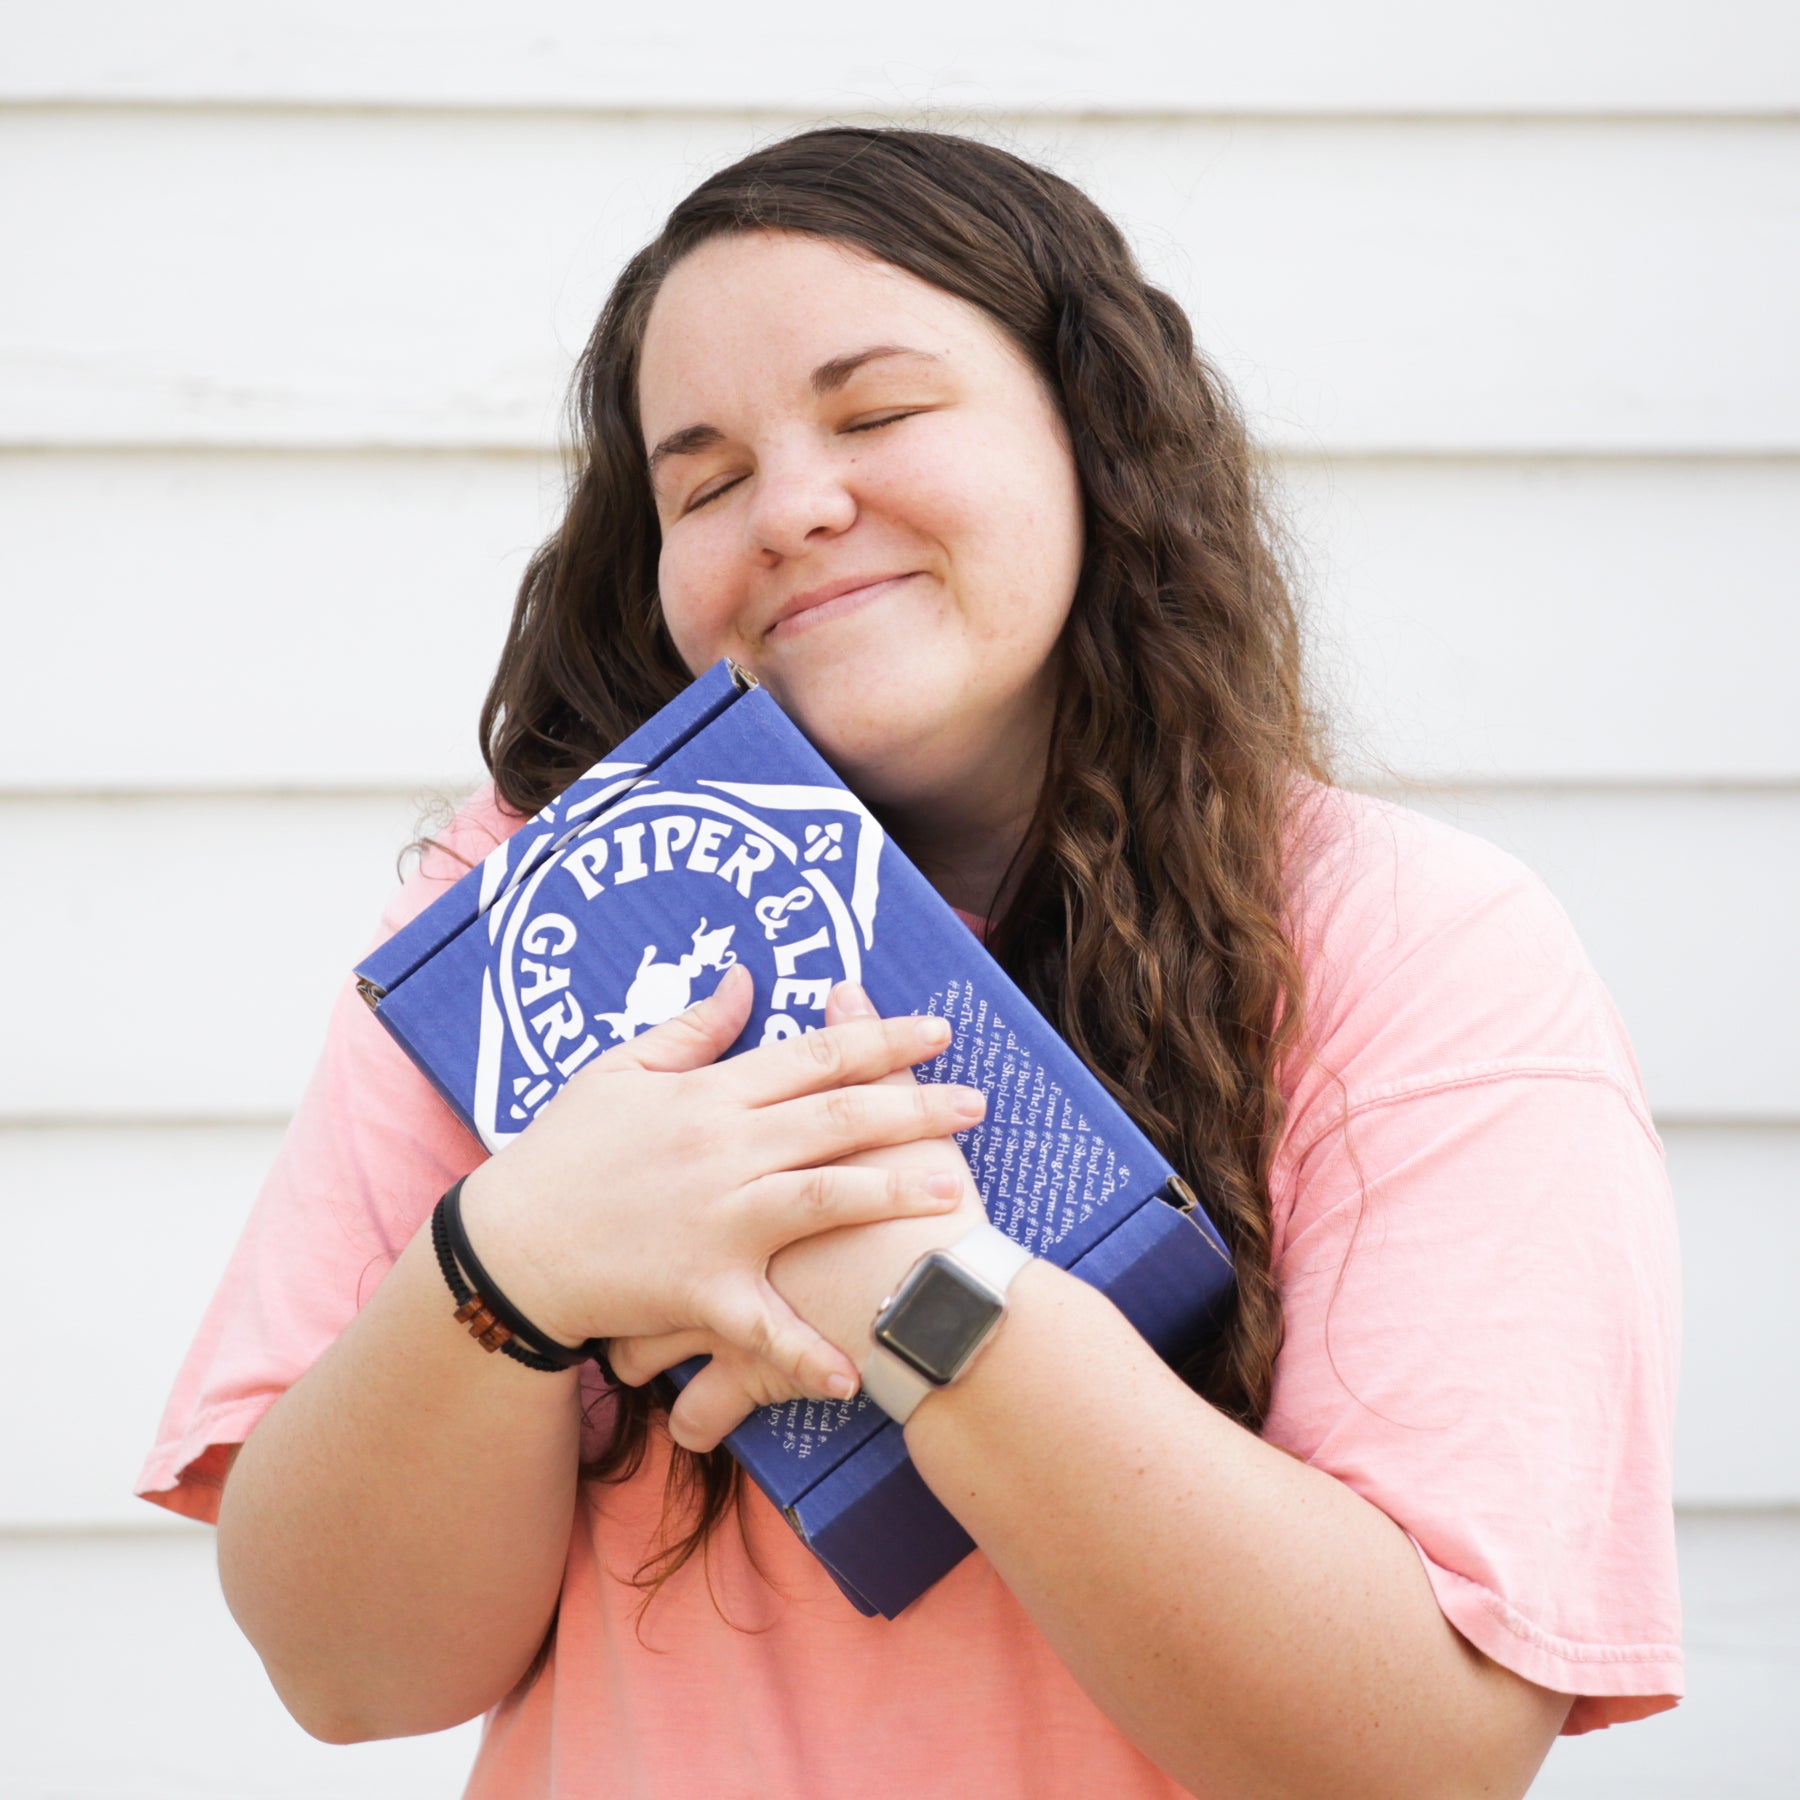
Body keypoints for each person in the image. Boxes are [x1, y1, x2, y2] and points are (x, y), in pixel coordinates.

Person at [137, 127, 1682, 1798]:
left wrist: (911, 1288)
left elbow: (1410, 1759)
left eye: (877, 416)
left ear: (1095, 441)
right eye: (706, 479)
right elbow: (350, 1669)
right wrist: (513, 1265)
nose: (796, 506)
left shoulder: (1414, 949)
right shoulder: (530, 921)